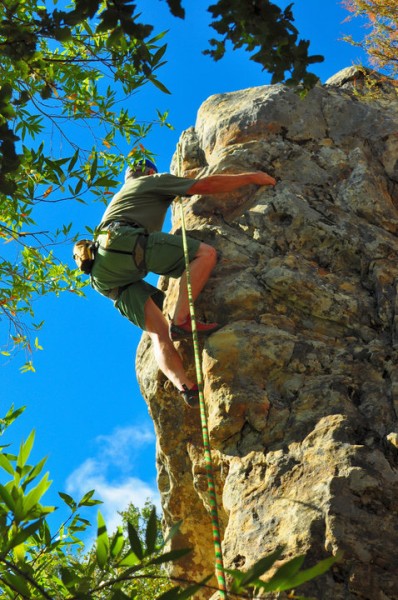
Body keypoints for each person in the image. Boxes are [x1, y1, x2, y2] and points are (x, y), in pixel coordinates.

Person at [74, 158, 276, 406]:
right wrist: (251, 178)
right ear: (149, 171)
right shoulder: (152, 181)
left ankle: (186, 387)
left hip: (103, 273)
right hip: (124, 243)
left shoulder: (121, 197)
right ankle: (181, 319)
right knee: (205, 254)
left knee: (159, 333)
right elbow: (206, 185)